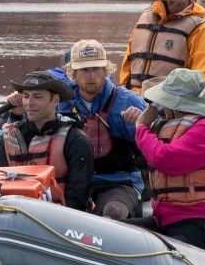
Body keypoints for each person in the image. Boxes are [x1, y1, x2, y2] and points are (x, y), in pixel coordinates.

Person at [124, 67, 205, 252]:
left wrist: (141, 126)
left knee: (168, 254)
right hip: (172, 217)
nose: (162, 107)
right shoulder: (176, 126)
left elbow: (164, 158)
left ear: (176, 105)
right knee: (121, 231)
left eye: (163, 102)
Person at [59, 39, 149, 219]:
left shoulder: (130, 101)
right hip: (74, 182)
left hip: (119, 182)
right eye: (84, 70)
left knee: (113, 213)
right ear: (73, 73)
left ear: (105, 71)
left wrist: (142, 123)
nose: (91, 75)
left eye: (96, 69)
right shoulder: (60, 101)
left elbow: (158, 142)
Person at [0, 71, 93, 211]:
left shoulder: (76, 139)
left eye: (38, 97)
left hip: (58, 216)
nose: (29, 103)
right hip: (12, 212)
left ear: (55, 100)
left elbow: (77, 199)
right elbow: (1, 184)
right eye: (26, 96)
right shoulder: (9, 136)